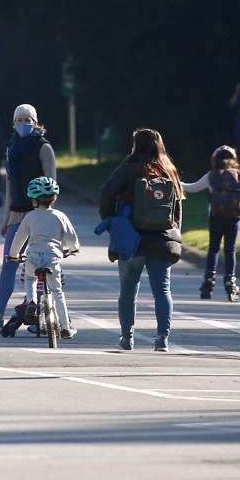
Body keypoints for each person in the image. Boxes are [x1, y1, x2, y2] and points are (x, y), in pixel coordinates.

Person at [0, 104, 56, 332]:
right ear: (13, 122)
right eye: (18, 119)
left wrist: (49, 214)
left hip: (39, 214)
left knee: (40, 265)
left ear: (35, 121)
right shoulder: (12, 147)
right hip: (17, 213)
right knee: (9, 263)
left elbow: (52, 184)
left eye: (27, 119)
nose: (23, 123)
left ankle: (41, 317)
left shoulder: (43, 147)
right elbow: (10, 183)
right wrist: (6, 217)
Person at [98, 128, 184, 352]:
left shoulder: (127, 168)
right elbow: (177, 208)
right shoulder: (168, 170)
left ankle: (127, 338)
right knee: (162, 291)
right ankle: (162, 339)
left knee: (128, 290)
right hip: (162, 240)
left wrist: (111, 222)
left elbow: (106, 192)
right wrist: (175, 235)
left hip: (131, 239)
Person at [183, 145, 240, 301]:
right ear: (234, 160)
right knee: (230, 250)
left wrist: (174, 181)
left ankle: (209, 279)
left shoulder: (211, 176)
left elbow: (192, 188)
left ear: (214, 160)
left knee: (213, 249)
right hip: (234, 218)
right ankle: (230, 280)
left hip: (215, 217)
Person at [5, 177, 81, 339]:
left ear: (33, 199)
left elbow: (19, 238)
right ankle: (66, 328)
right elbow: (71, 238)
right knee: (57, 291)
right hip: (52, 258)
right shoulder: (60, 216)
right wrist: (72, 249)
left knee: (30, 279)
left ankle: (32, 303)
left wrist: (13, 255)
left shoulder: (30, 217)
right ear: (54, 198)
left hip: (32, 257)